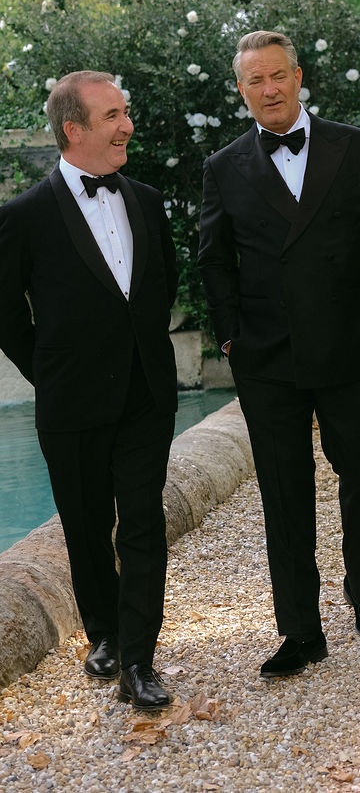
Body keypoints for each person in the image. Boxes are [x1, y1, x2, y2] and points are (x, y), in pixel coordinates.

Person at [198, 31, 360, 679]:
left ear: (298, 77)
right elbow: (215, 262)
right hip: (268, 357)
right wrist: (231, 336)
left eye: (277, 76)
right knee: (284, 494)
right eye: (254, 81)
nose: (269, 89)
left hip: (349, 344)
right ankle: (300, 627)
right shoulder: (224, 166)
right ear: (242, 91)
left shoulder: (356, 146)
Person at [0, 71, 178, 710]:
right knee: (84, 524)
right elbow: (5, 313)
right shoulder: (23, 217)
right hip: (71, 403)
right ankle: (102, 631)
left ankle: (138, 656)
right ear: (74, 130)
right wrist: (50, 371)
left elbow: (161, 286)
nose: (127, 125)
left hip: (145, 398)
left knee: (142, 525)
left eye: (125, 112)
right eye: (112, 116)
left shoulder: (149, 201)